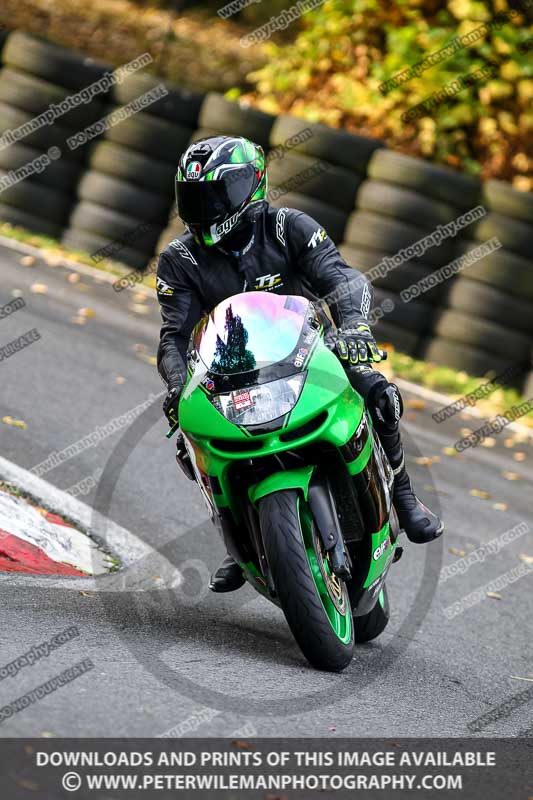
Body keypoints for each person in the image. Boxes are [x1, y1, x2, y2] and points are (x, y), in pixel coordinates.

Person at [156, 135, 443, 592]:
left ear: (251, 186)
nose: (205, 208)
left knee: (377, 390)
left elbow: (342, 278)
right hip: (230, 372)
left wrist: (354, 330)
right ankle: (242, 540)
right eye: (194, 197)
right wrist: (177, 383)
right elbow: (174, 335)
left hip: (312, 348)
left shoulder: (289, 226)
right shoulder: (178, 260)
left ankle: (405, 496)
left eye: (216, 194)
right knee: (192, 441)